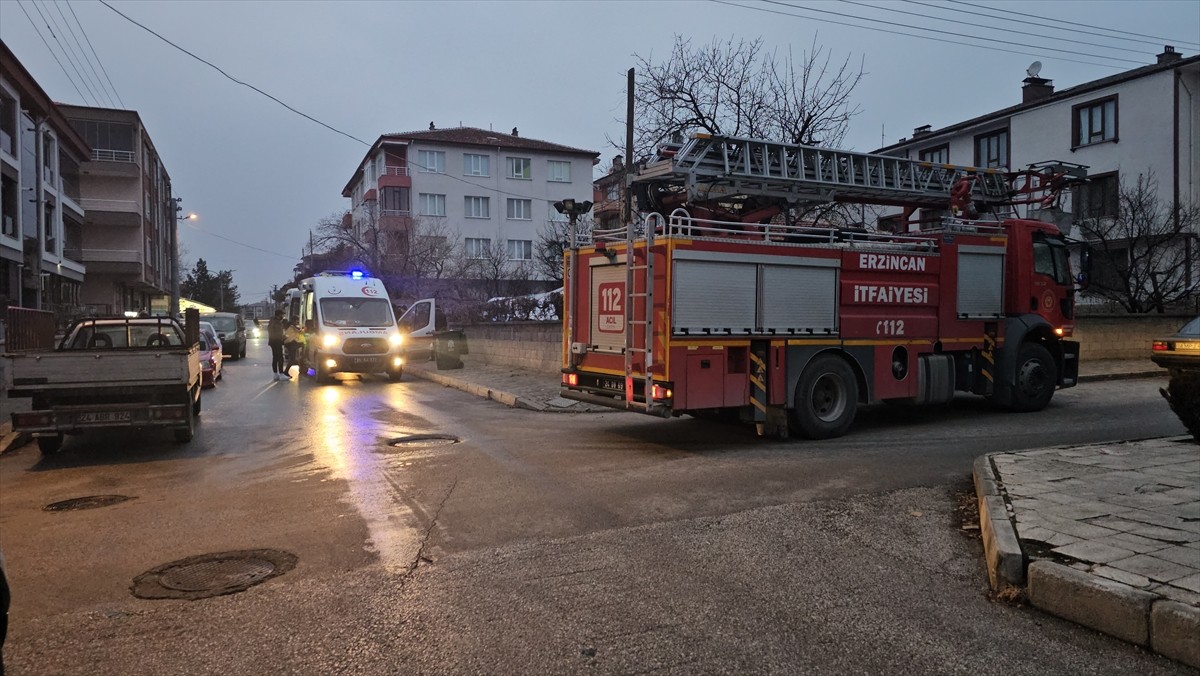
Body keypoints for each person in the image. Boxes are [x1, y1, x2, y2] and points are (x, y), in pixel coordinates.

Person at [267, 310, 287, 380]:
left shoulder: (272, 321)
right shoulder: (276, 322)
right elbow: (276, 333)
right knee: (280, 357)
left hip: (273, 341)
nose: (283, 316)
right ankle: (281, 374)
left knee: (275, 357)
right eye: (282, 315)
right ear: (279, 315)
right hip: (276, 341)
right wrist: (283, 337)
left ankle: (275, 374)